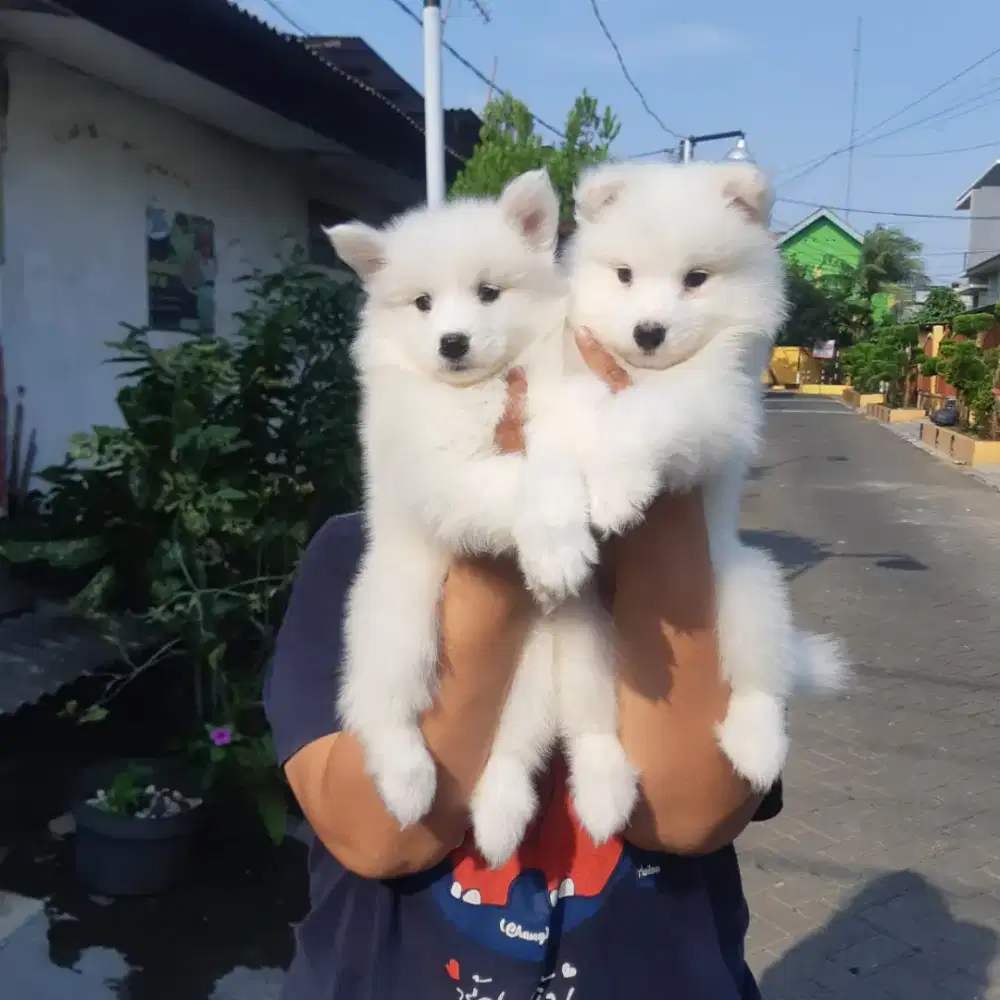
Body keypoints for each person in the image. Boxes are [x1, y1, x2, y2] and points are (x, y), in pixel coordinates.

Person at [264, 332, 781, 1000]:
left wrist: (668, 491)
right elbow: (381, 838)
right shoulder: (354, 557)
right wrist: (499, 521)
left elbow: (687, 816)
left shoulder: (708, 566)